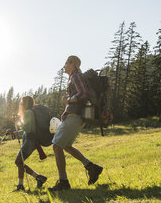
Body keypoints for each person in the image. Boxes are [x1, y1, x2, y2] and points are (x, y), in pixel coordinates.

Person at [49, 55, 103, 191]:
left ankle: (63, 182)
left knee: (56, 146)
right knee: (66, 146)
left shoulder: (75, 76)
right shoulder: (74, 76)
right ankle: (92, 168)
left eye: (66, 63)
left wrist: (69, 99)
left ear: (72, 64)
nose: (64, 66)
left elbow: (83, 93)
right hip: (76, 116)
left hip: (74, 116)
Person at [6, 95, 47, 191]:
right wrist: (16, 132)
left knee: (18, 161)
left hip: (29, 141)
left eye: (22, 102)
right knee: (20, 162)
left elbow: (27, 128)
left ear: (25, 103)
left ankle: (33, 180)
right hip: (30, 140)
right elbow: (28, 129)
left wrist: (18, 122)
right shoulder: (29, 112)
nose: (21, 104)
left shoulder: (28, 113)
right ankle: (35, 179)